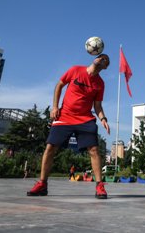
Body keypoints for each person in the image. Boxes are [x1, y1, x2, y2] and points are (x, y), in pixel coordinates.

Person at [27, 54, 111, 199]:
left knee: (94, 149)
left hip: (85, 119)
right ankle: (42, 184)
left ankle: (99, 186)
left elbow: (97, 106)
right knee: (50, 147)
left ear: (105, 67)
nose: (102, 60)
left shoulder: (100, 83)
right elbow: (59, 85)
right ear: (94, 57)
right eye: (101, 57)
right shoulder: (75, 70)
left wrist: (103, 118)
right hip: (65, 116)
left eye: (105, 60)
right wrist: (54, 107)